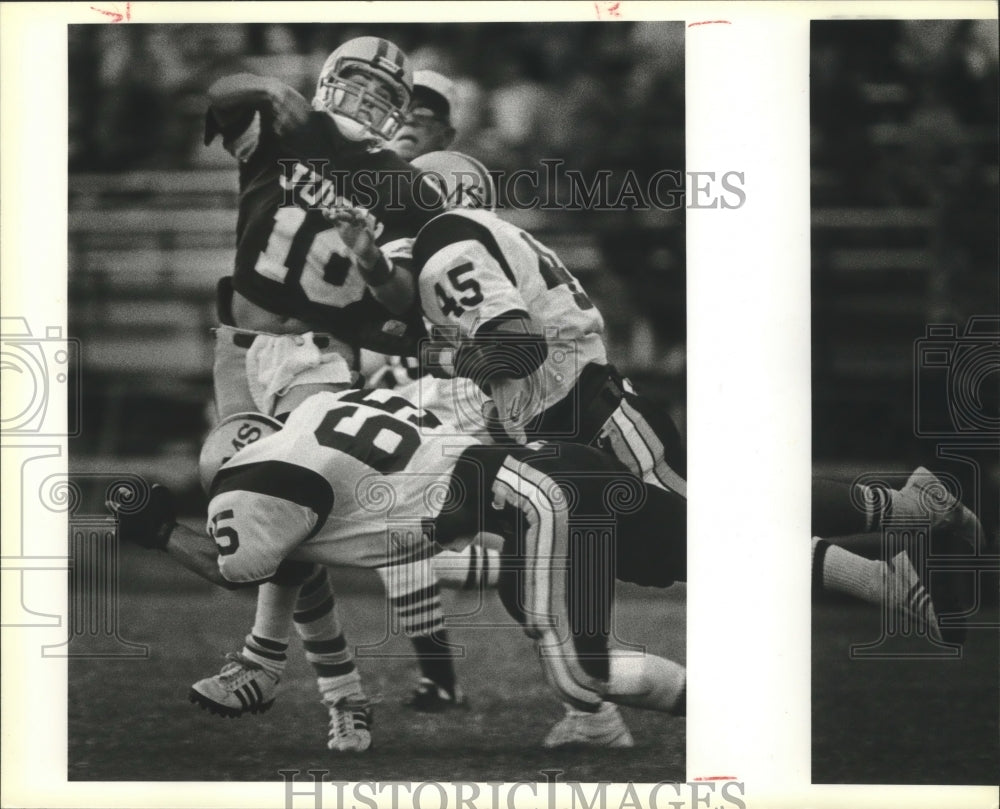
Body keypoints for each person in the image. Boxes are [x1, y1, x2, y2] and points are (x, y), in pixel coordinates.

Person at [110, 376, 691, 750]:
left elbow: (235, 570)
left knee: (584, 672)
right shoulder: (321, 409)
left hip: (530, 499)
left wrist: (160, 533)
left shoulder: (254, 476)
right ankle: (597, 730)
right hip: (556, 464)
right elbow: (293, 563)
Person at [193, 36, 466, 750]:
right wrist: (265, 85)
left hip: (317, 352)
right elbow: (220, 95)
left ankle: (290, 674)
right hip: (238, 349)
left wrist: (372, 260)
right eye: (357, 83)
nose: (365, 101)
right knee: (253, 509)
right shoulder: (287, 129)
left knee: (278, 501)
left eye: (382, 94)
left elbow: (402, 301)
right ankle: (307, 681)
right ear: (326, 81)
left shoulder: (403, 185)